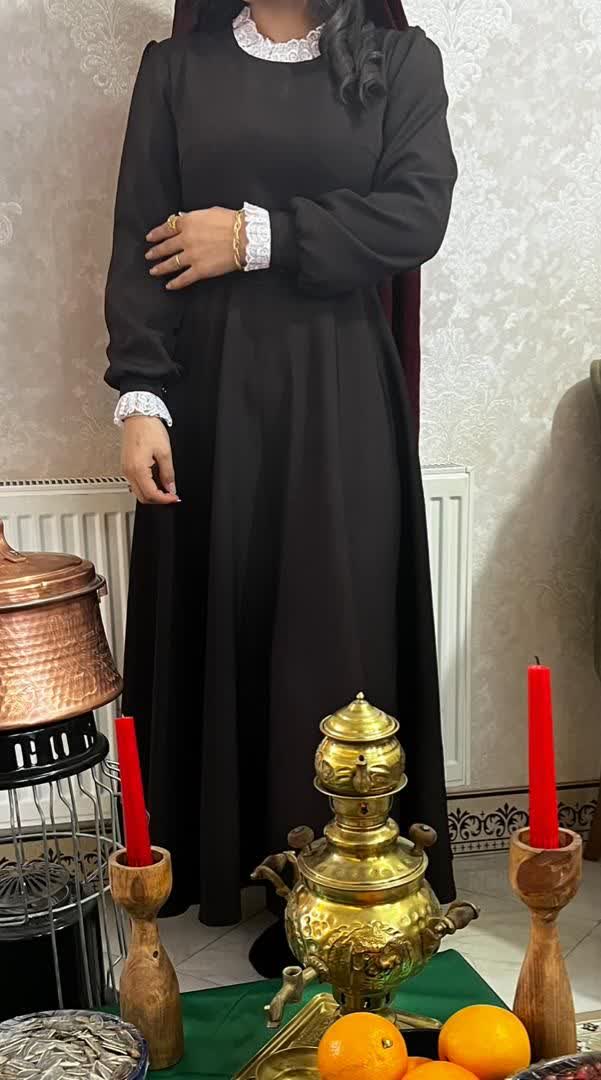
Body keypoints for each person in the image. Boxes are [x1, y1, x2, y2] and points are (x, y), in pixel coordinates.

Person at [104, 0, 458, 973]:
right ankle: (236, 862)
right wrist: (140, 396)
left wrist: (256, 236)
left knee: (331, 627)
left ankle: (341, 884)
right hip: (211, 394)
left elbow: (416, 214)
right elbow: (139, 237)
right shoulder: (175, 71)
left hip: (341, 390)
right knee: (236, 606)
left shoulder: (400, 61)